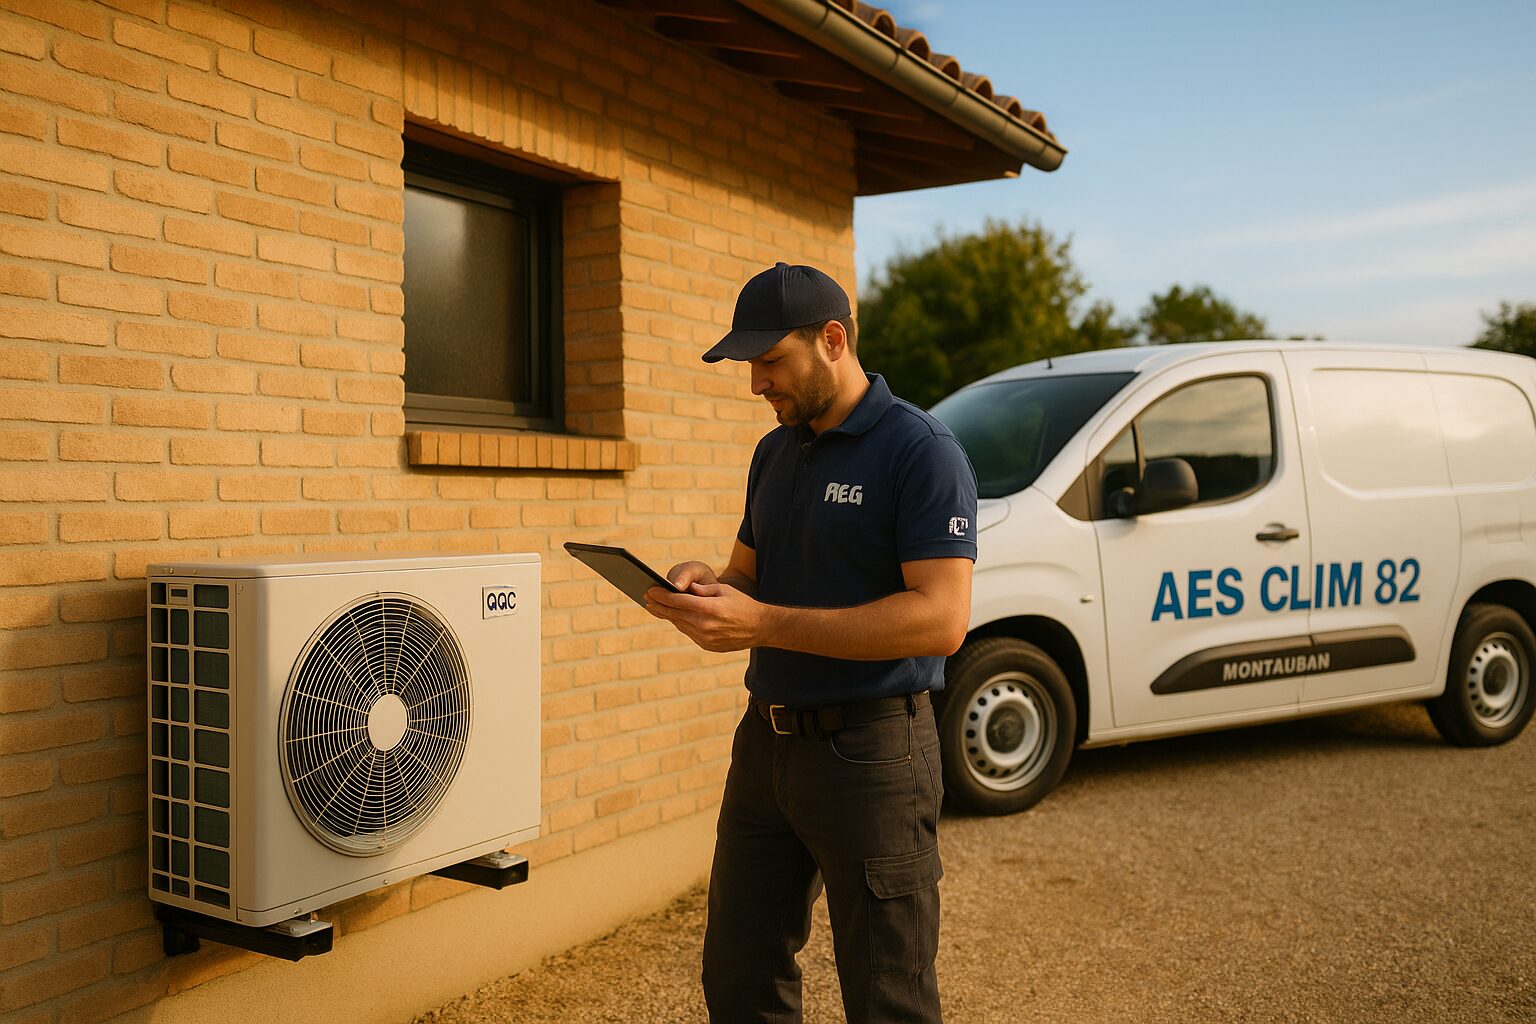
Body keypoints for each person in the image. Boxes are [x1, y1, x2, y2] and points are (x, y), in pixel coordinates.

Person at [643, 262, 978, 1024]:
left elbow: (941, 618)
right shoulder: (774, 451)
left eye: (770, 361)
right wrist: (708, 587)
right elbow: (749, 576)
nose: (756, 384)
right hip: (766, 747)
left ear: (832, 339)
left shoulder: (921, 450)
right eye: (749, 365)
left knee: (888, 995)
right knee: (739, 974)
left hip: (874, 754)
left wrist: (762, 624)